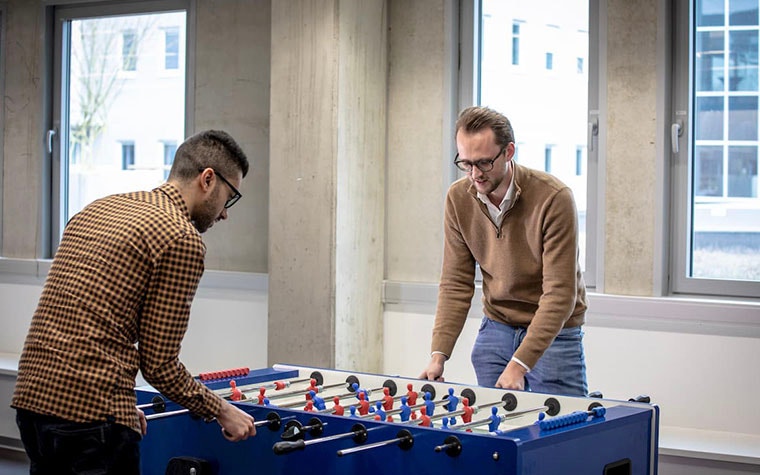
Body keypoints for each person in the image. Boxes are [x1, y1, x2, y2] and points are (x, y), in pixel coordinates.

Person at [12, 130, 257, 474]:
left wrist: (119, 408)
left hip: (33, 402)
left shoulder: (98, 208)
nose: (224, 214)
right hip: (88, 419)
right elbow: (160, 366)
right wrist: (222, 409)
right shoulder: (181, 237)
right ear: (207, 179)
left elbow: (81, 319)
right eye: (229, 197)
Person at [419, 106, 588, 397]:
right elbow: (455, 283)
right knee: (498, 432)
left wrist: (519, 364)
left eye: (484, 163)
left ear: (509, 152)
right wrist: (439, 355)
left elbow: (560, 294)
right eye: (466, 163)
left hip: (554, 335)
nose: (475, 175)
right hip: (496, 328)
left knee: (562, 433)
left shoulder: (553, 198)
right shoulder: (459, 198)